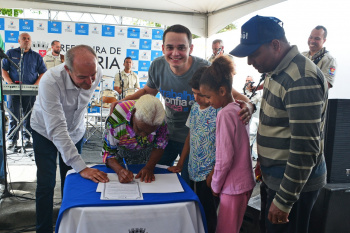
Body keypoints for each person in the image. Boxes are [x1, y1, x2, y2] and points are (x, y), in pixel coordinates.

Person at [112, 24, 253, 185]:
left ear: (190, 48)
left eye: (181, 47)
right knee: (154, 178)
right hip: (166, 135)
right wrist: (120, 103)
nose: (175, 53)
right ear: (163, 48)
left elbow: (231, 94)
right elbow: (147, 92)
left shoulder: (204, 69)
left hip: (194, 140)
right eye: (170, 47)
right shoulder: (157, 66)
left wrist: (249, 106)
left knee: (187, 183)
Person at [230, 15, 328, 233]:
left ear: (275, 45)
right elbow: (277, 111)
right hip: (276, 176)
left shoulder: (300, 78)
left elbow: (305, 149)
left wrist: (284, 200)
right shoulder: (277, 69)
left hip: (294, 186)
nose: (249, 61)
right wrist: (252, 107)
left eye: (254, 53)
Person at [30, 45, 109, 233]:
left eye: (93, 75)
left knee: (72, 183)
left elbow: (71, 121)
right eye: (82, 77)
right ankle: (43, 230)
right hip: (45, 132)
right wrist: (81, 166)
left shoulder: (95, 73)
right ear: (67, 70)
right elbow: (56, 128)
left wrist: (78, 169)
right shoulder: (50, 80)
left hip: (75, 131)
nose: (90, 82)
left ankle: (70, 228)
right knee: (46, 183)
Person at [199, 55, 255, 233]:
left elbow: (224, 158)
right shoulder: (240, 107)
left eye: (208, 97)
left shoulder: (224, 114)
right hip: (244, 183)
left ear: (222, 91)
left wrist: (215, 185)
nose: (207, 101)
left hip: (232, 187)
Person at [168, 67, 219, 233]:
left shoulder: (219, 110)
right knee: (194, 209)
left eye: (202, 95)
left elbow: (223, 145)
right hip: (193, 169)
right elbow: (190, 135)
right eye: (194, 93)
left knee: (210, 213)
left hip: (210, 175)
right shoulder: (195, 108)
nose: (197, 98)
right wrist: (181, 162)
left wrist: (214, 171)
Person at [102, 94, 168, 183]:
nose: (143, 136)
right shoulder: (117, 119)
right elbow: (108, 152)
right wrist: (119, 170)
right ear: (133, 113)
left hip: (148, 155)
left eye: (149, 132)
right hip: (121, 154)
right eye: (139, 129)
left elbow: (160, 145)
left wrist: (149, 167)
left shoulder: (160, 119)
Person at [1, 32, 47, 150]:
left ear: (31, 41)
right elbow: (4, 70)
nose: (26, 40)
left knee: (29, 116)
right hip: (14, 91)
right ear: (19, 41)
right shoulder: (10, 53)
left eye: (28, 39)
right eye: (24, 39)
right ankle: (12, 140)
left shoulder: (36, 56)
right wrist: (10, 83)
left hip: (30, 91)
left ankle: (27, 138)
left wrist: (36, 85)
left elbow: (42, 72)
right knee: (13, 115)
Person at [243, 75, 262, 161]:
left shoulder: (258, 93)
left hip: (259, 119)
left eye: (250, 81)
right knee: (249, 138)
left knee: (259, 141)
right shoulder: (243, 94)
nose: (248, 83)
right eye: (247, 81)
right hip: (251, 120)